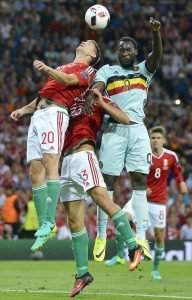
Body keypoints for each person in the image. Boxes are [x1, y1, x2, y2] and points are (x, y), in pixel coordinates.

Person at [84, 18, 163, 262]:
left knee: (139, 181)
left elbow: (157, 55)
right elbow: (97, 86)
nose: (125, 51)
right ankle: (100, 235)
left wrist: (155, 33)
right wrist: (93, 95)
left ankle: (140, 237)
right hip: (114, 130)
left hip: (138, 130)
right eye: (121, 48)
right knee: (107, 183)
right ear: (117, 52)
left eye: (129, 48)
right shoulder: (108, 70)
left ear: (136, 52)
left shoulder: (144, 70)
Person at [10, 40, 100, 251]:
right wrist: (23, 110)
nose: (85, 41)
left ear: (93, 55)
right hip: (39, 112)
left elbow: (69, 81)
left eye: (90, 43)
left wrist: (47, 68)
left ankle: (49, 222)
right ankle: (44, 224)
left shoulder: (88, 71)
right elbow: (44, 94)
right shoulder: (62, 67)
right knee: (34, 169)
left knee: (51, 162)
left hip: (55, 114)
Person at [60, 89, 145, 297]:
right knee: (74, 220)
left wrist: (102, 103)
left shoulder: (97, 97)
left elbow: (125, 118)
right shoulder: (68, 98)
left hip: (84, 154)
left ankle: (133, 246)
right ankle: (82, 274)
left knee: (102, 199)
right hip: (66, 161)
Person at [106, 126, 188, 281]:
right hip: (140, 197)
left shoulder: (171, 156)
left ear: (164, 140)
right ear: (149, 139)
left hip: (158, 202)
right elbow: (134, 174)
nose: (155, 140)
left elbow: (178, 174)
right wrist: (143, 187)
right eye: (153, 138)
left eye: (158, 138)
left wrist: (181, 184)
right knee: (121, 218)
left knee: (159, 238)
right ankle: (119, 256)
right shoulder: (143, 154)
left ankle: (155, 270)